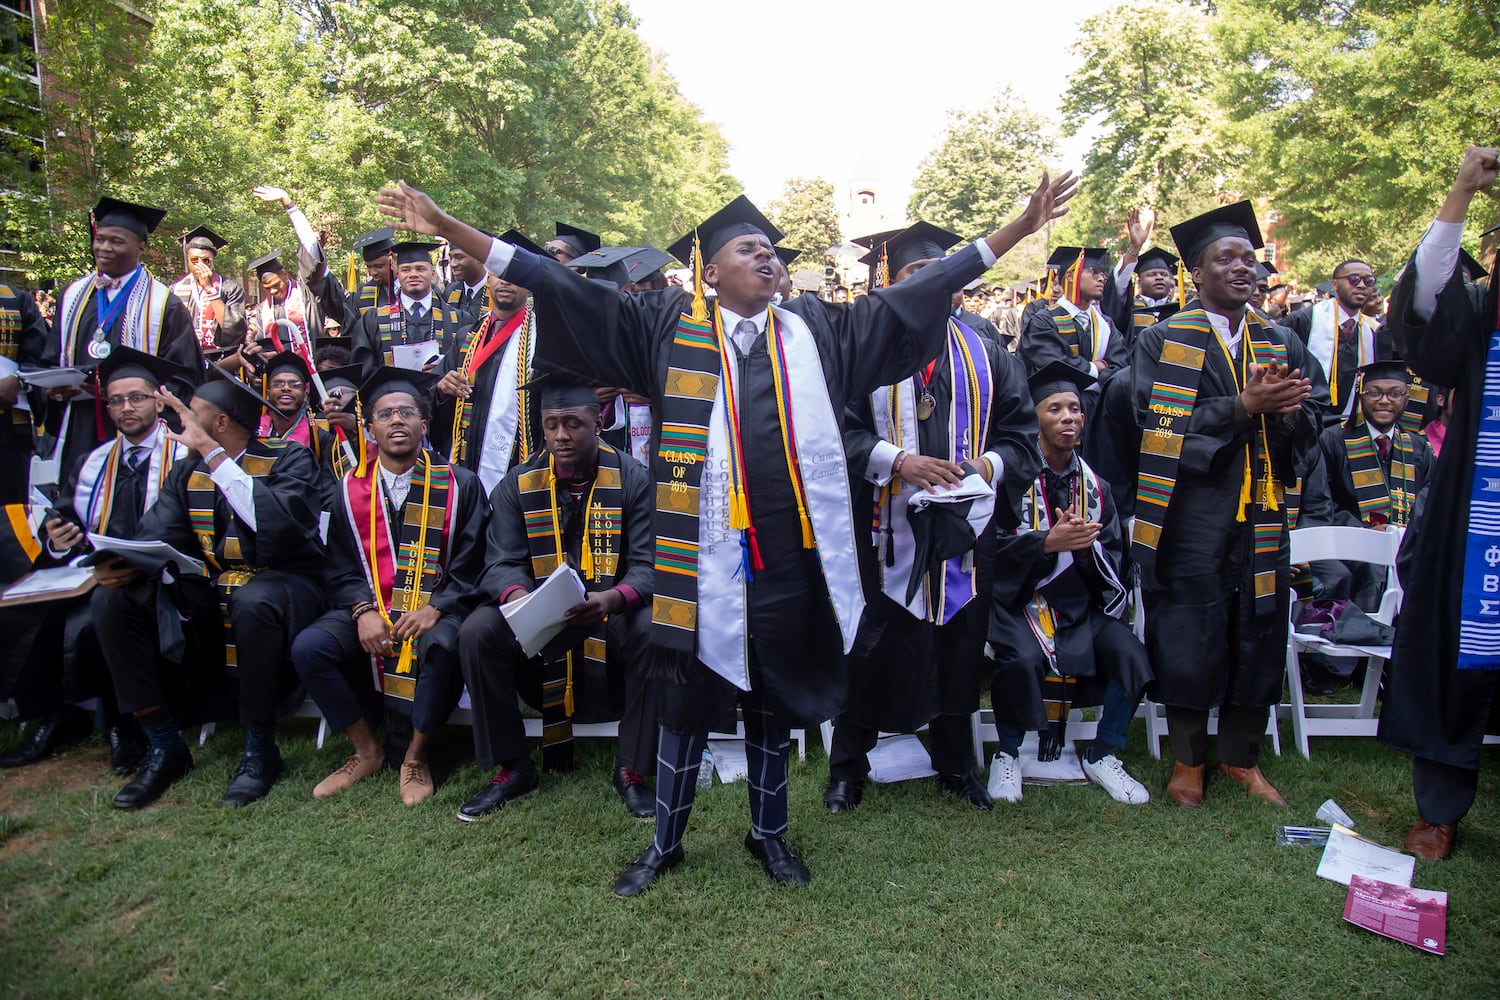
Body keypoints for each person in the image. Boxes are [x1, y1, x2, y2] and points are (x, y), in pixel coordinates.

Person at [375, 169, 1076, 895]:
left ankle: (768, 834)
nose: (768, 257)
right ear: (710, 270)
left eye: (772, 249)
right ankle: (664, 844)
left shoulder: (817, 330)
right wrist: (449, 225)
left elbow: (914, 297)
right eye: (749, 248)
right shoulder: (663, 326)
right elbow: (560, 286)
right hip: (695, 560)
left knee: (770, 703)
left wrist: (1017, 230)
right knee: (682, 706)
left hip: (786, 563)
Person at [826, 221, 1040, 814]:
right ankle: (848, 767)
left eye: (939, 274)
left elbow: (1023, 440)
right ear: (891, 287)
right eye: (913, 276)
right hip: (879, 528)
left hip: (963, 533)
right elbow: (831, 431)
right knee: (870, 647)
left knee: (958, 646)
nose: (930, 285)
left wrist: (983, 467)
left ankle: (954, 764)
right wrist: (899, 462)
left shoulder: (990, 353)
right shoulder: (860, 353)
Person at [1126, 200, 1317, 809]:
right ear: (1197, 273)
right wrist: (1244, 408)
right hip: (1191, 512)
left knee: (1257, 626)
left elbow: (1316, 418)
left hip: (1262, 510)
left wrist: (1288, 415)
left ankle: (1239, 756)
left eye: (1249, 259)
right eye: (1224, 258)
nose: (1242, 268)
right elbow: (1153, 422)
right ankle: (1188, 759)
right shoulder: (1165, 338)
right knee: (1189, 628)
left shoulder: (1280, 337)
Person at [93, 368, 325, 809]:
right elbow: (157, 534)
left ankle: (260, 749)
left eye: (191, 414)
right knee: (114, 600)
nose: (181, 423)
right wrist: (119, 564)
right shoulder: (187, 473)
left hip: (287, 583)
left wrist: (213, 456)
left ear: (219, 424)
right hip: (212, 584)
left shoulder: (289, 459)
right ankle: (164, 743)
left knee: (253, 599)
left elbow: (280, 525)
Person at [454, 379, 657, 820]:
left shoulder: (632, 479)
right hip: (541, 620)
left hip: (608, 613)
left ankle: (633, 769)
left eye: (573, 424)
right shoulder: (518, 484)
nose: (561, 436)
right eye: (551, 425)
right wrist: (523, 599)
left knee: (651, 628)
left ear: (598, 422)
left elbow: (648, 565)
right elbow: (499, 562)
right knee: (477, 632)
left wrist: (611, 599)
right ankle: (514, 768)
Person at [1376, 145, 1500, 861]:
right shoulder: (1480, 320)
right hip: (1478, 519)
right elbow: (1425, 299)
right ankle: (1440, 809)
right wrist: (1461, 191)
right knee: (1457, 649)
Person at [292, 368, 487, 805]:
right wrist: (362, 611)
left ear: (423, 423)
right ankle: (367, 750)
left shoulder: (461, 484)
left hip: (437, 606)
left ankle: (415, 757)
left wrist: (438, 605)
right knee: (310, 647)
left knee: (441, 643)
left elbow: (475, 561)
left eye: (406, 412)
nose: (396, 421)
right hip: (371, 608)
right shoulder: (347, 491)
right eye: (385, 414)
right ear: (370, 428)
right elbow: (340, 567)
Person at [0, 348, 191, 772]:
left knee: (94, 616)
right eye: (117, 400)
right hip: (93, 572)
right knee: (36, 612)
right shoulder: (92, 462)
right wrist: (58, 539)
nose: (127, 408)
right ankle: (57, 716)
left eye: (137, 397)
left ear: (159, 401)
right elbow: (66, 520)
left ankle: (121, 724)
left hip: (160, 576)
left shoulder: (183, 456)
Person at [986, 361, 1153, 805]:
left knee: (1132, 657)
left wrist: (1083, 551)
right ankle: (1005, 753)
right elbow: (988, 552)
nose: (1068, 418)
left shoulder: (1096, 486)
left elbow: (1115, 555)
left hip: (1079, 606)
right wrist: (1044, 544)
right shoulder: (1012, 479)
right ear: (1036, 418)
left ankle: (1103, 754)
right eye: (1054, 408)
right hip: (1019, 603)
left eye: (1075, 409)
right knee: (1019, 659)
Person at [48, 197, 202, 485]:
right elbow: (50, 358)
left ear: (140, 248)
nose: (104, 248)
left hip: (140, 427)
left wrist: (138, 395)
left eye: (116, 242)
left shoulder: (163, 304)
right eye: (100, 240)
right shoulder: (71, 297)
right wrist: (53, 390)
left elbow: (185, 374)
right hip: (80, 423)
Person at [432, 234, 547, 491]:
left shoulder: (542, 340)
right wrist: (442, 390)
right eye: (498, 273)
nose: (505, 281)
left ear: (529, 285)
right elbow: (434, 396)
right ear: (489, 278)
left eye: (515, 276)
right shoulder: (466, 336)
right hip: (465, 458)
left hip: (517, 463)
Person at [1281, 258, 1390, 420]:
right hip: (1303, 418)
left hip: (1347, 423)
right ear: (1334, 284)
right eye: (1353, 279)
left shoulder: (1373, 332)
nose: (1361, 285)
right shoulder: (1304, 321)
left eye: (1368, 281)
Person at [351, 241, 471, 378]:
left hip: (442, 398)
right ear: (397, 273)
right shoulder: (373, 321)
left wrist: (441, 373)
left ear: (432, 273)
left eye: (420, 269)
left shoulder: (461, 320)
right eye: (405, 270)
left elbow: (468, 369)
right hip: (392, 396)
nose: (413, 274)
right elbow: (364, 372)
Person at [1020, 246, 1130, 384]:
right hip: (1060, 402)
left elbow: (1120, 366)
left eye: (1102, 274)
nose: (1101, 278)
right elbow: (1052, 364)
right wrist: (1094, 368)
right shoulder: (1044, 321)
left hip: (1099, 402)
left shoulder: (1106, 325)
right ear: (1070, 276)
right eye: (1094, 272)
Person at [0, 282, 49, 503]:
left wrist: (18, 380)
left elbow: (40, 357)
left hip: (7, 431)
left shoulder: (15, 300)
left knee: (9, 517)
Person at [171, 226, 248, 359]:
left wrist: (209, 289)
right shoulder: (175, 290)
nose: (200, 264)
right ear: (188, 260)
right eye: (194, 260)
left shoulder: (230, 288)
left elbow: (235, 331)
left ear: (212, 262)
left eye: (205, 260)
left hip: (221, 361)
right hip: (185, 359)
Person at [1128, 247, 1181, 353]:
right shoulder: (1128, 308)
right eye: (1152, 274)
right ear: (1139, 283)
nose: (1159, 278)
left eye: (1164, 274)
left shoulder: (1180, 310)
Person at [350, 227, 397, 317]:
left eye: (378, 266)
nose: (372, 273)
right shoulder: (362, 295)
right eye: (368, 267)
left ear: (393, 260)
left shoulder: (414, 287)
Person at [442, 243, 491, 320]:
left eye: (459, 257)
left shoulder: (495, 292)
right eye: (451, 258)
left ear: (479, 258)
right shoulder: (450, 290)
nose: (452, 264)